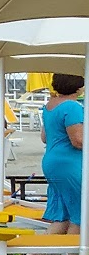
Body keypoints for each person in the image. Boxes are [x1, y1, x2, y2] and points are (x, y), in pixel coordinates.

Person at [41, 73, 86, 240]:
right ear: (78, 85)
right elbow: (78, 141)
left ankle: (36, 253)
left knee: (63, 215)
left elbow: (44, 137)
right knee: (82, 214)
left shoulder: (50, 105)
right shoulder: (72, 107)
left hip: (52, 162)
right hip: (69, 164)